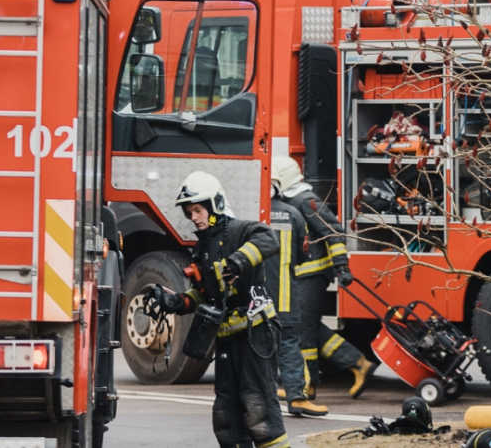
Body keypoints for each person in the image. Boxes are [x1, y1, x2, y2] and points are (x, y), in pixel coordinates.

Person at [145, 172, 289, 448]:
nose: (194, 217)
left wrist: (237, 262)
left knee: (258, 408)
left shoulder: (239, 230)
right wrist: (175, 301)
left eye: (199, 209)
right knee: (225, 416)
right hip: (226, 338)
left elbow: (269, 239)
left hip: (255, 333)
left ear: (216, 204)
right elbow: (204, 296)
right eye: (190, 212)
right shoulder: (202, 249)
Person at [271, 157, 377, 398]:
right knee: (308, 327)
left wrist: (341, 265)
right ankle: (358, 363)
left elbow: (333, 230)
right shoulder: (289, 200)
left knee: (301, 329)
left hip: (313, 275)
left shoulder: (305, 200)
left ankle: (306, 385)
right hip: (301, 275)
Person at [268, 186, 328, 416]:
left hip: (256, 298)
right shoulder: (293, 214)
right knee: (289, 345)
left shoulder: (250, 211)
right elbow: (304, 254)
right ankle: (296, 397)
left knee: (258, 346)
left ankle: (261, 396)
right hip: (285, 296)